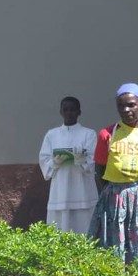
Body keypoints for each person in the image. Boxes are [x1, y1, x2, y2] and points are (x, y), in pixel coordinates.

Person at [89, 83, 138, 276]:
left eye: (131, 105)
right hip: (115, 198)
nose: (126, 110)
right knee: (116, 244)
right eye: (121, 106)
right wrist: (108, 199)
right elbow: (99, 170)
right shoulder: (107, 134)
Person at [38, 97, 97, 233]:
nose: (69, 113)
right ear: (61, 112)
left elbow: (93, 159)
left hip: (82, 189)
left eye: (73, 109)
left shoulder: (89, 134)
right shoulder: (52, 135)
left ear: (79, 112)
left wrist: (81, 160)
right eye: (66, 110)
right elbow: (44, 158)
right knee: (60, 228)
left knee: (84, 228)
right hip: (60, 190)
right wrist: (54, 162)